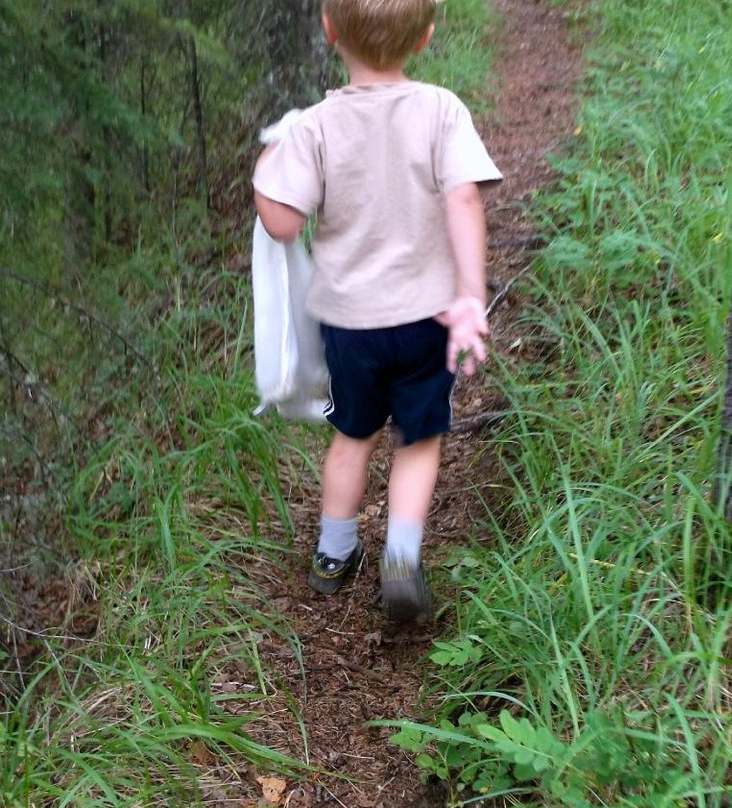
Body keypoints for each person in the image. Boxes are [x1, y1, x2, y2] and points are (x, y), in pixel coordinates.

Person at [252, 0, 501, 621]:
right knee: (418, 440)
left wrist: (266, 166)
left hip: (350, 324)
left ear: (330, 30)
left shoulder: (314, 127)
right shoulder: (442, 110)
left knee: (352, 435)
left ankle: (334, 555)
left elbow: (281, 221)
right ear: (426, 36)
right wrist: (470, 295)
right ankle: (401, 558)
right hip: (428, 319)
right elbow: (465, 200)